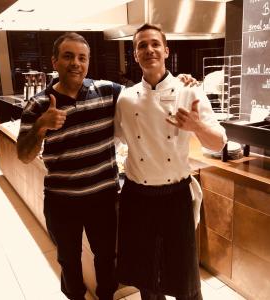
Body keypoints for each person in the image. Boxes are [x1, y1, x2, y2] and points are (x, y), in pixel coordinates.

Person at [16, 31, 197, 300]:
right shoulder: (39, 104)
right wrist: (42, 125)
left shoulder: (107, 92)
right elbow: (24, 154)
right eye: (68, 56)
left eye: (82, 58)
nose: (76, 63)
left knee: (106, 260)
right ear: (54, 62)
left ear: (88, 62)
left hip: (102, 198)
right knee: (69, 261)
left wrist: (180, 82)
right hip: (61, 200)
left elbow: (146, 95)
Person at [114, 24, 227, 300]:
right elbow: (115, 141)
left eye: (155, 44)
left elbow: (219, 142)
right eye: (142, 45)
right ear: (135, 55)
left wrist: (197, 126)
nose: (149, 49)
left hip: (174, 196)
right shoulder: (126, 99)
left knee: (184, 277)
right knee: (146, 278)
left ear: (166, 50)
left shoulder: (189, 91)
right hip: (137, 197)